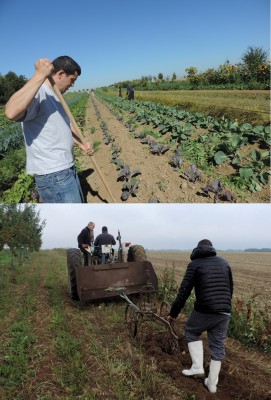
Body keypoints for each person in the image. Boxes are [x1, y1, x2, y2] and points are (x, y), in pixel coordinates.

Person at [5, 56, 93, 203]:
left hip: (65, 169)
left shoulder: (56, 95)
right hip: (53, 175)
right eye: (72, 80)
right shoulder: (39, 93)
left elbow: (66, 125)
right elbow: (11, 112)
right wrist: (39, 74)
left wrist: (81, 144)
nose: (72, 85)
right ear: (60, 74)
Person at [169, 239, 233, 394]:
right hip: (224, 310)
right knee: (217, 346)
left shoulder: (195, 264)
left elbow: (184, 291)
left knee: (191, 330)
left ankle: (197, 367)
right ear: (211, 248)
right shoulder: (224, 262)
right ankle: (212, 384)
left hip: (205, 308)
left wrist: (173, 314)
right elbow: (230, 288)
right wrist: (223, 306)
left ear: (197, 249)